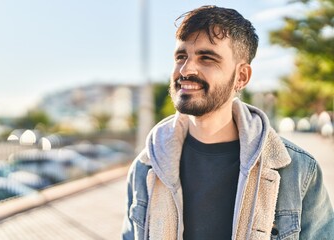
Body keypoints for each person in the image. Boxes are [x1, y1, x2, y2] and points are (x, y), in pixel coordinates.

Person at [122, 5, 334, 240]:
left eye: (207, 58)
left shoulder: (298, 170)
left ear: (241, 76)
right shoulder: (147, 168)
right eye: (181, 56)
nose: (186, 69)